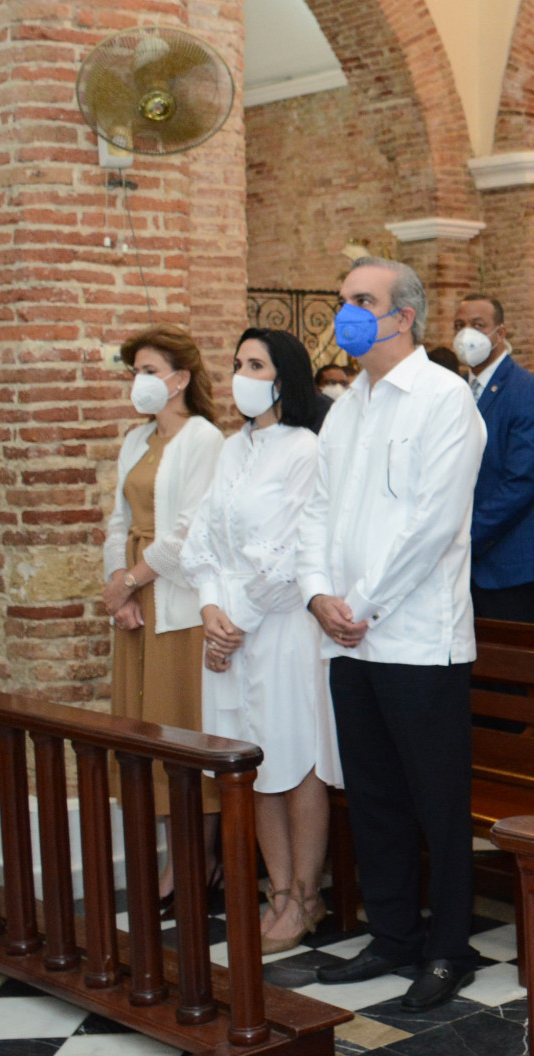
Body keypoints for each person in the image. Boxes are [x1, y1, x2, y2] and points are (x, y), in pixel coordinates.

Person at [299, 257, 487, 1012]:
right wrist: (318, 594)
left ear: (404, 315)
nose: (345, 312)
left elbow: (432, 523)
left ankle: (449, 948)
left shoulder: (444, 398)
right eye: (342, 299)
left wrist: (361, 604)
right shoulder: (347, 406)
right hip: (347, 635)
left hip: (416, 638)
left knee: (436, 799)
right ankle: (393, 934)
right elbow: (316, 510)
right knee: (374, 794)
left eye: (361, 300)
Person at [182, 328, 340, 954]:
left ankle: (306, 895)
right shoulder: (231, 449)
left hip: (280, 629)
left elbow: (294, 553)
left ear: (285, 377)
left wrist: (237, 621)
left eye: (256, 365)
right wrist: (211, 609)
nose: (241, 375)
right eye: (238, 363)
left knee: (295, 761)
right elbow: (200, 541)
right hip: (228, 629)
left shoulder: (305, 448)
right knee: (249, 761)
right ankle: (277, 892)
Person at [104, 325, 227, 900]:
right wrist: (120, 588)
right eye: (135, 372)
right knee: (142, 729)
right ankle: (170, 858)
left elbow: (187, 532)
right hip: (135, 601)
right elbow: (117, 520)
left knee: (182, 728)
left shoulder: (204, 438)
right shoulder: (136, 438)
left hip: (177, 601)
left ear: (179, 379)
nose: (139, 381)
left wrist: (131, 580)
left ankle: (197, 861)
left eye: (149, 371)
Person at [452, 294, 534, 624]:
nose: (466, 333)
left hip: (513, 563)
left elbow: (522, 481)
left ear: (500, 333)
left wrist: (465, 536)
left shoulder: (529, 390)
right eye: (459, 325)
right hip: (459, 564)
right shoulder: (454, 390)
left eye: (477, 325)